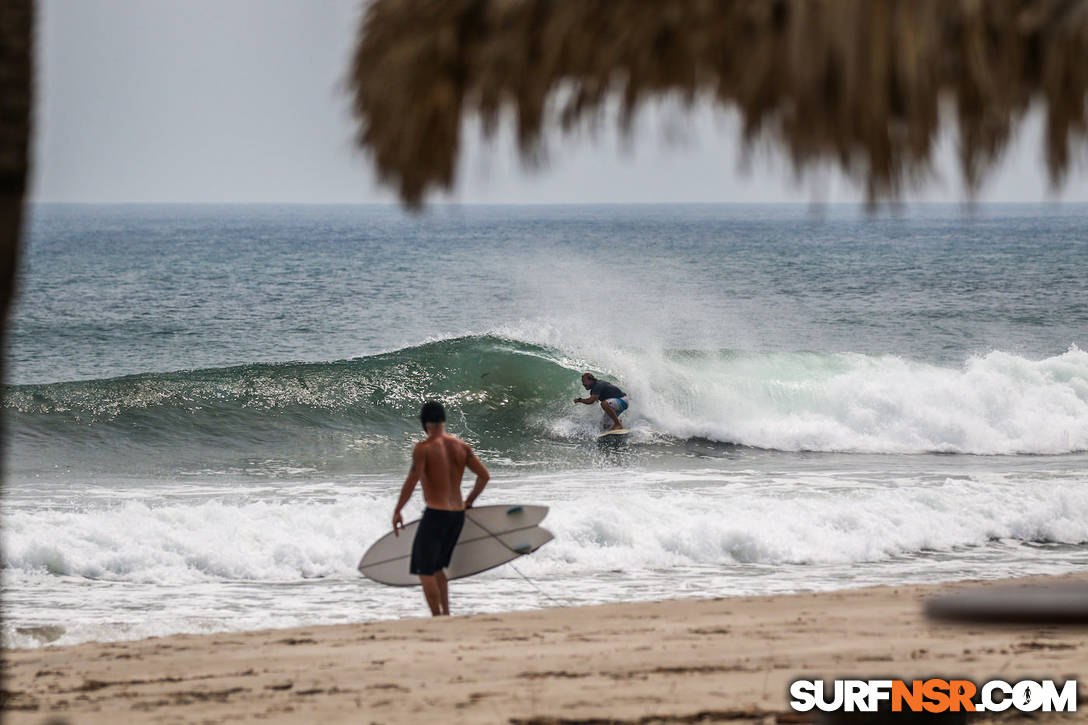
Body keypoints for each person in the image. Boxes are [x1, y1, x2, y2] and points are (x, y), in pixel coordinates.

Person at [391, 401, 489, 616]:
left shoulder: (423, 448)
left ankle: (437, 616)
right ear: (443, 421)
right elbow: (484, 476)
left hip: (436, 515)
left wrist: (398, 510)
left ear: (424, 424)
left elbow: (412, 480)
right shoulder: (462, 447)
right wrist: (469, 501)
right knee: (437, 568)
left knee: (424, 569)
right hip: (457, 516)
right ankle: (445, 615)